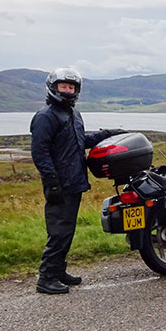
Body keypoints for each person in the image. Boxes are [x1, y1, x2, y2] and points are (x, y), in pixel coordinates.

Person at [30, 67, 125, 294]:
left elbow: (81, 141)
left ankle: (58, 271)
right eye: (64, 86)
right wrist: (52, 182)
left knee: (67, 229)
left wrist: (106, 134)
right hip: (59, 184)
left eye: (71, 87)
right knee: (59, 231)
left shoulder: (73, 114)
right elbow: (39, 152)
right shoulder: (46, 117)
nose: (68, 90)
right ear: (53, 87)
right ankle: (46, 278)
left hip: (74, 181)